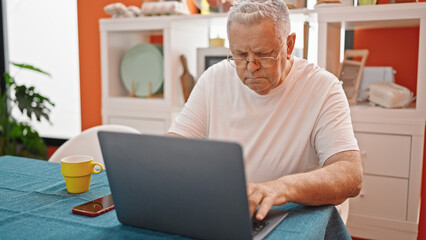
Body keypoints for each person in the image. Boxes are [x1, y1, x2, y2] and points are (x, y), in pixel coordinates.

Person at [168, 0, 363, 221]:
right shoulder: (214, 78)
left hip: (293, 215)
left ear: (289, 45)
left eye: (263, 54)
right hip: (230, 209)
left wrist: (281, 188)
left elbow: (350, 174)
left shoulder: (324, 88)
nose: (251, 67)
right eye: (240, 55)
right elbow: (173, 146)